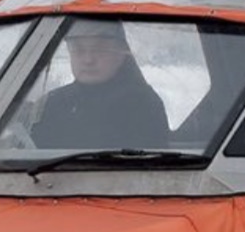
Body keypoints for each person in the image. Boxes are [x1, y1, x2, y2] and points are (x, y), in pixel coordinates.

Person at [30, 22, 169, 149]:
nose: (88, 59)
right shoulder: (52, 103)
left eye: (100, 49)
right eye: (78, 49)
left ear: (121, 54)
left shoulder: (143, 104)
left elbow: (151, 170)